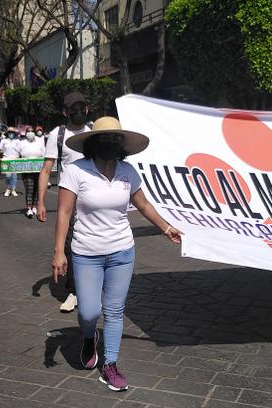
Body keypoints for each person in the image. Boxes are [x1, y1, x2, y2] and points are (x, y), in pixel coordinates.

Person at [52, 117, 182, 391]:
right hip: (86, 253)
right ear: (94, 142)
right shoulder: (76, 171)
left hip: (122, 252)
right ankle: (89, 338)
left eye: (116, 139)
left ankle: (110, 364)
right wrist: (58, 253)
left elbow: (143, 204)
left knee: (114, 311)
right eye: (106, 138)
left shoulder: (128, 171)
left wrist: (166, 227)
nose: (111, 143)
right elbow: (64, 213)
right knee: (89, 312)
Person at [37, 91, 94, 313]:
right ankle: (74, 291)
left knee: (95, 242)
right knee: (71, 244)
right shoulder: (58, 135)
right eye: (73, 109)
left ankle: (92, 287)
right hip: (69, 199)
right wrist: (40, 202)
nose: (78, 112)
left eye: (82, 107)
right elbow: (46, 170)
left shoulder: (94, 131)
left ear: (87, 109)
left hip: (94, 198)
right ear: (65, 112)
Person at [18, 129, 45, 218]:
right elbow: (16, 155)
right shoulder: (21, 143)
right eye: (28, 131)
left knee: (37, 189)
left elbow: (44, 154)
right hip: (26, 170)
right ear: (26, 133)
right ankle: (29, 208)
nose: (30, 132)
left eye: (31, 131)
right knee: (29, 189)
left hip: (38, 169)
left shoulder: (39, 142)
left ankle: (34, 206)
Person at [0, 127, 20, 197]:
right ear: (7, 133)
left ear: (14, 133)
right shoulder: (4, 141)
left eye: (12, 132)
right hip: (6, 159)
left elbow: (21, 149)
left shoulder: (17, 141)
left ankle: (13, 190)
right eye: (10, 132)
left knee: (14, 176)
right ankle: (8, 188)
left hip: (15, 159)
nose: (11, 134)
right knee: (8, 175)